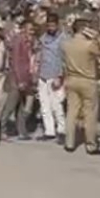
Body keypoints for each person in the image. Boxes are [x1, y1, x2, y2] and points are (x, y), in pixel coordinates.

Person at [62, 15, 100, 155]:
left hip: (71, 78)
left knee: (71, 111)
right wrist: (99, 39)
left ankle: (69, 142)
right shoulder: (89, 45)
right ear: (83, 29)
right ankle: (91, 144)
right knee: (90, 113)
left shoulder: (66, 44)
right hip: (87, 80)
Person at [37, 13, 67, 143]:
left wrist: (60, 76)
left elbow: (65, 59)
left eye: (53, 25)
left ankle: (61, 129)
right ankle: (49, 131)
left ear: (57, 24)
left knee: (57, 105)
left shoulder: (63, 39)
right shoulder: (43, 38)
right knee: (45, 105)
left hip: (56, 75)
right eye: (49, 25)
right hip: (43, 74)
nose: (51, 27)